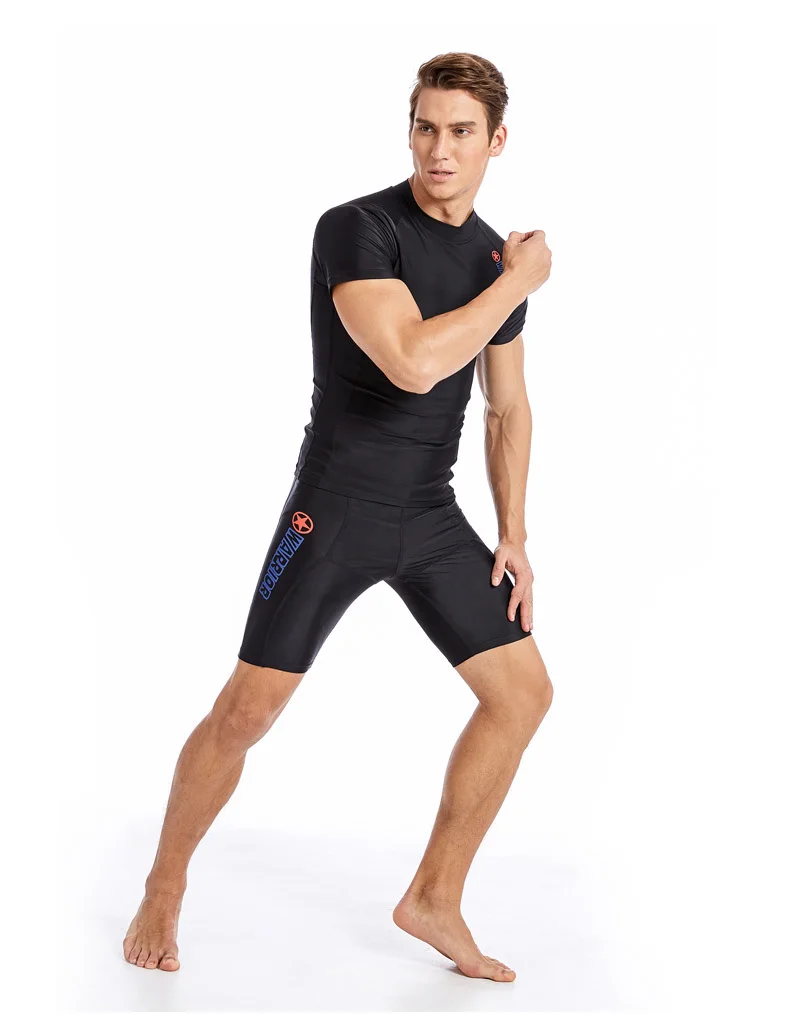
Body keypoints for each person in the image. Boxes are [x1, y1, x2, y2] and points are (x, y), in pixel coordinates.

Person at [123, 51, 553, 982]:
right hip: (334, 509)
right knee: (246, 711)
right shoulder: (360, 229)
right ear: (410, 129)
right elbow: (413, 362)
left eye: (462, 132)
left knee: (523, 693)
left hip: (430, 515)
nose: (439, 150)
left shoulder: (493, 261)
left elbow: (506, 407)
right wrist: (519, 284)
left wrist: (514, 532)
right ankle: (164, 882)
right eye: (426, 127)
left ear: (497, 142)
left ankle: (434, 895)